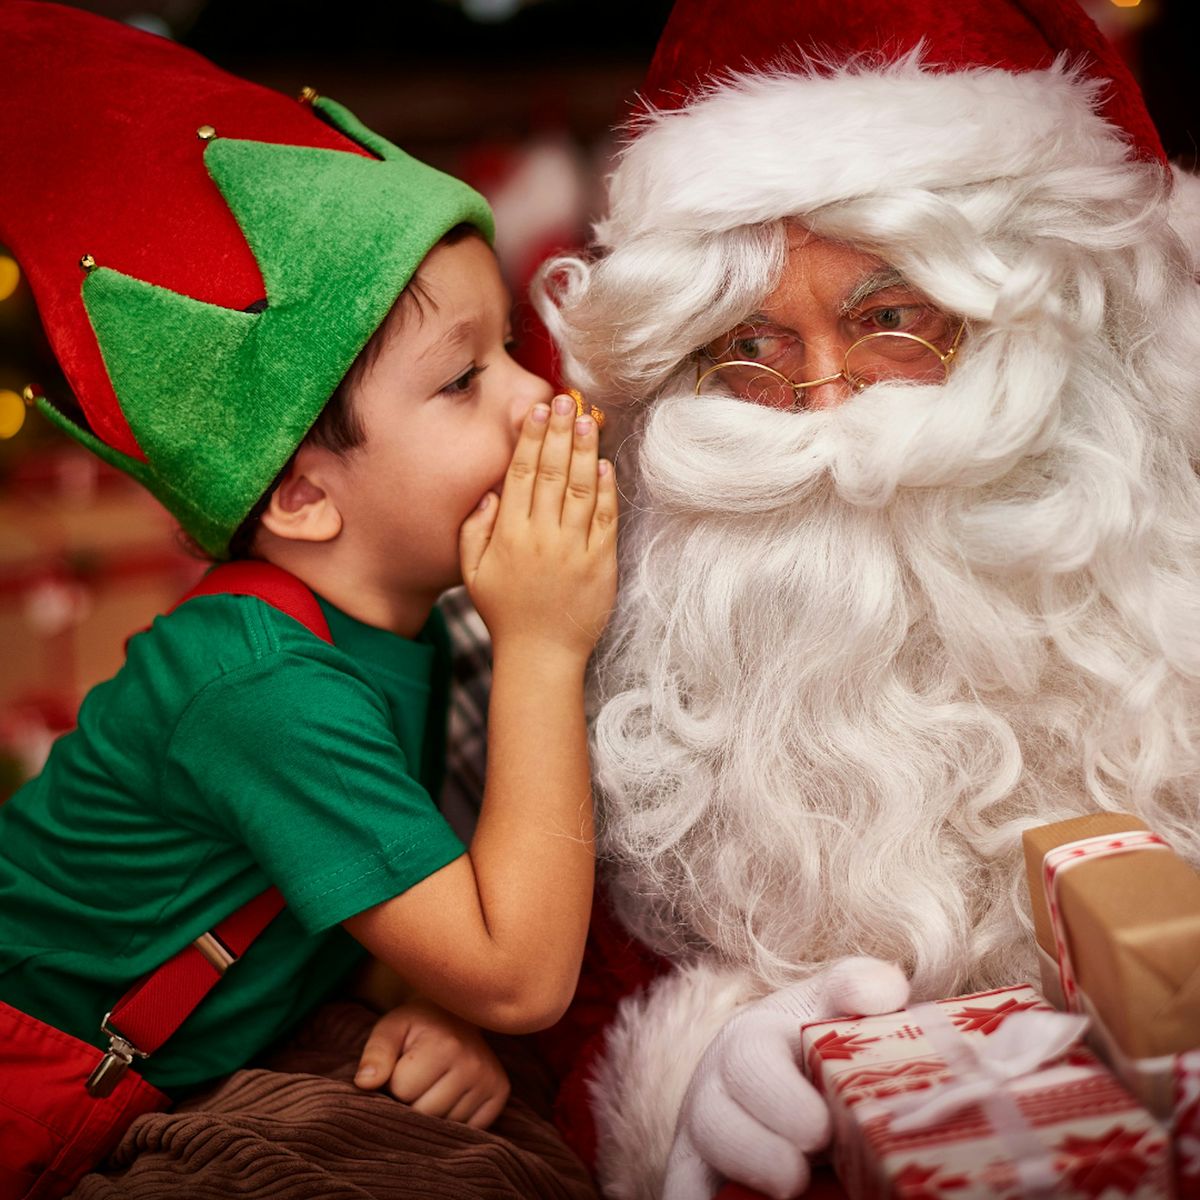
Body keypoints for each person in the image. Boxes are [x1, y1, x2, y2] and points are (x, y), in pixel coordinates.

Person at [531, 0, 1200, 1197]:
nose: (827, 406)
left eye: (892, 321)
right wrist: (684, 1077)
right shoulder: (618, 637)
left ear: (1046, 324)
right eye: (753, 346)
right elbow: (569, 1025)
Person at [0, 3, 616, 1196]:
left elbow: (414, 904)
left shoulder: (415, 614)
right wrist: (544, 643)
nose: (536, 404)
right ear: (301, 497)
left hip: (225, 1044)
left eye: (513, 355)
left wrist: (437, 1010)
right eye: (464, 381)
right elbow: (521, 972)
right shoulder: (261, 686)